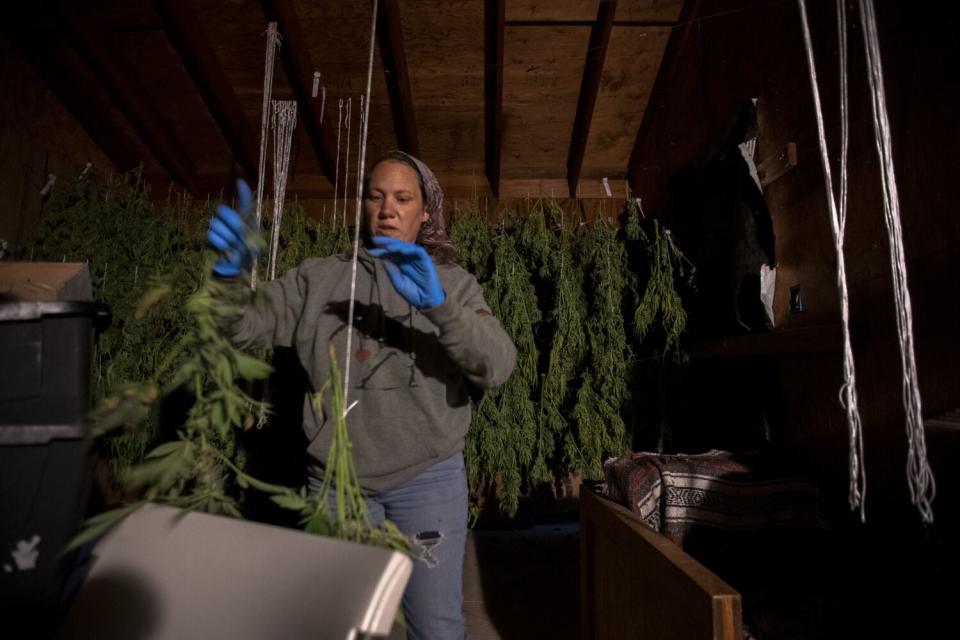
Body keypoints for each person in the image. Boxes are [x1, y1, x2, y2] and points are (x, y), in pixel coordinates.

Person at [207, 151, 517, 639]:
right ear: (362, 207)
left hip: (427, 479)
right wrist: (226, 279)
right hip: (336, 484)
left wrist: (437, 305)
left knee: (436, 628)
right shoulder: (317, 280)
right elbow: (240, 330)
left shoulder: (453, 285)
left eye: (401, 198)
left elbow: (498, 366)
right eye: (375, 197)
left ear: (425, 212)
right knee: (341, 626)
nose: (387, 208)